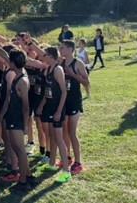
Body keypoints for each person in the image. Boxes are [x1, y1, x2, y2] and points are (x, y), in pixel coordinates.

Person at [0, 48, 36, 191]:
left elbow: (26, 106)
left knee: (20, 151)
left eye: (10, 61)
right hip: (12, 117)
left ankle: (22, 182)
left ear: (13, 63)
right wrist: (2, 114)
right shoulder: (17, 76)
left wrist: (25, 125)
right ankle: (29, 175)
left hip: (17, 119)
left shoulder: (22, 81)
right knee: (15, 148)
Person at [37, 47, 71, 183]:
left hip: (57, 109)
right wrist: (41, 105)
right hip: (49, 107)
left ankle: (66, 171)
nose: (43, 56)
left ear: (50, 56)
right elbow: (47, 91)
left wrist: (58, 111)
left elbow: (64, 92)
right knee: (51, 135)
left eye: (44, 54)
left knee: (58, 138)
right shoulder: (48, 69)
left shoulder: (58, 69)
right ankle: (52, 163)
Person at [59, 40, 89, 175]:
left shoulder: (78, 63)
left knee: (72, 132)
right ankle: (68, 156)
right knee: (64, 130)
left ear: (70, 49)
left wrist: (72, 74)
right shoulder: (60, 62)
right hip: (63, 101)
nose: (60, 50)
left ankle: (78, 162)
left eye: (63, 48)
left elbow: (87, 82)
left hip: (74, 101)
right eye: (60, 47)